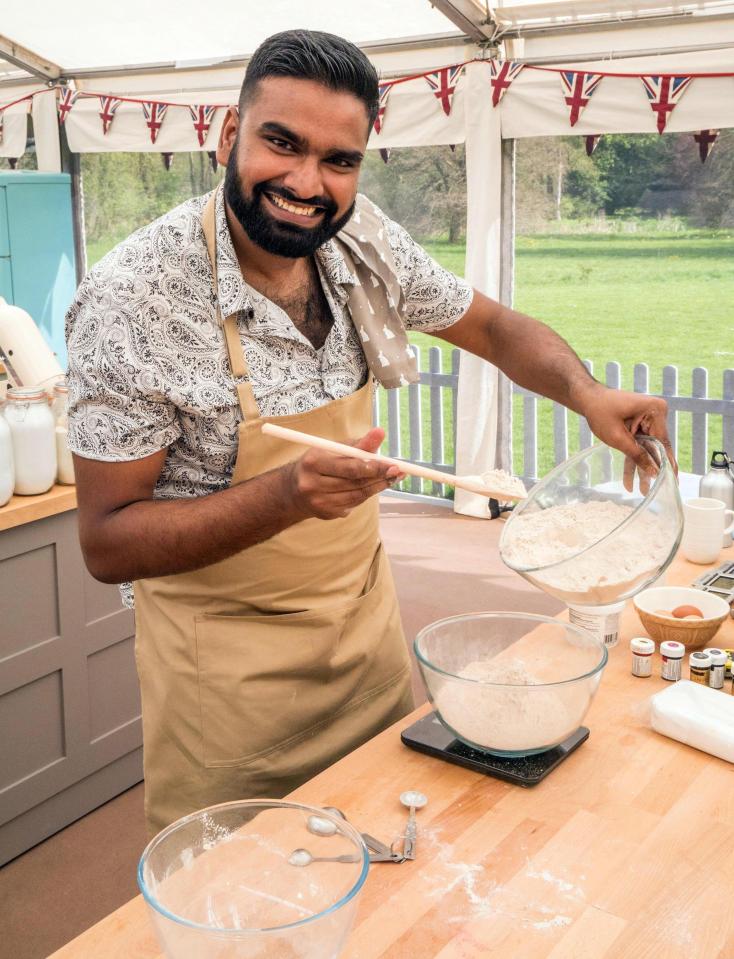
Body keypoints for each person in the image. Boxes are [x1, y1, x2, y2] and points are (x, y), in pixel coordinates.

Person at [66, 29, 674, 835]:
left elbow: (489, 328)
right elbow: (108, 544)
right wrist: (286, 496)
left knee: (392, 842)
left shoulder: (359, 240)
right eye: (280, 143)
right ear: (226, 135)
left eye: (339, 159)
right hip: (227, 681)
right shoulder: (132, 302)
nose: (306, 182)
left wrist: (587, 393)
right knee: (255, 898)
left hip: (364, 637)